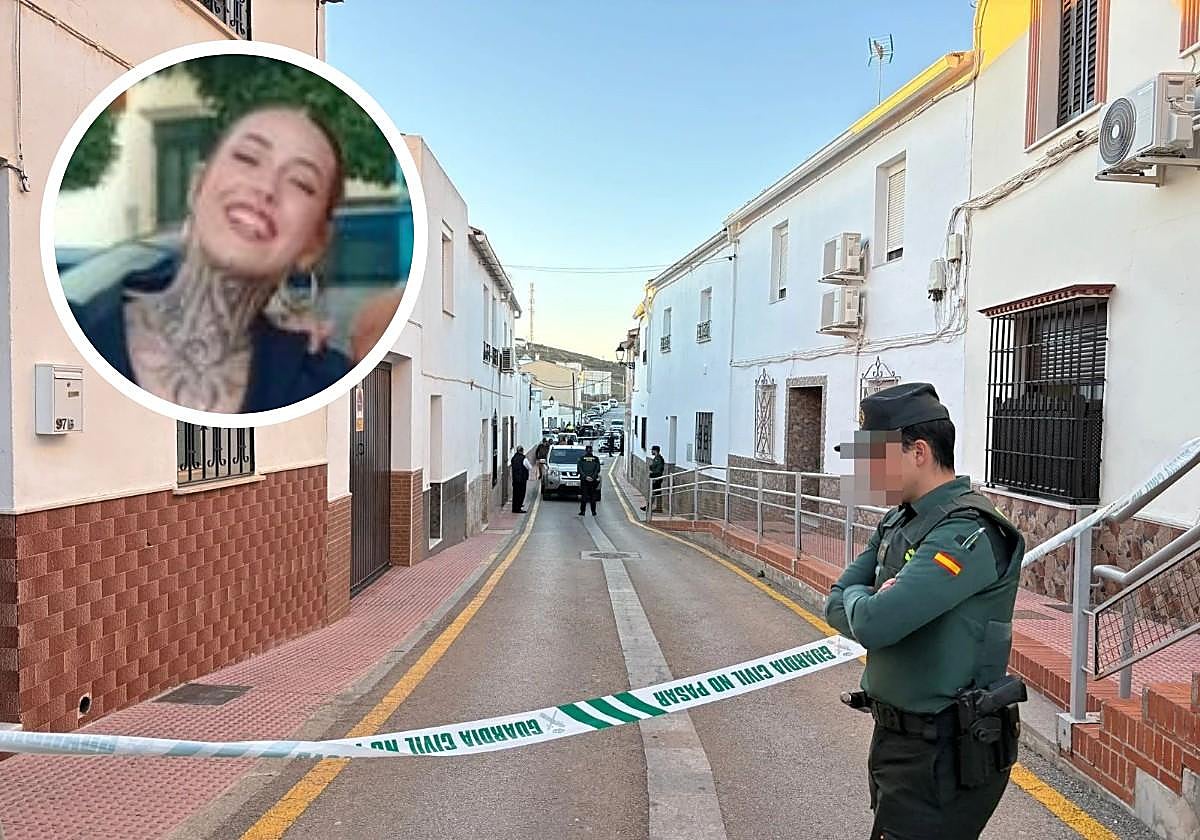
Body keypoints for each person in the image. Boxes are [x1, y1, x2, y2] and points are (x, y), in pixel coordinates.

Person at [823, 383, 1026, 840]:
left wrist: (865, 605)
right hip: (899, 744)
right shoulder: (900, 519)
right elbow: (834, 599)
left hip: (944, 752)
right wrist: (866, 603)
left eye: (873, 457)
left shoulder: (966, 532)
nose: (865, 470)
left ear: (917, 451)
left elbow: (875, 623)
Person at [69, 106, 352, 414]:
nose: (266, 188)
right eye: (247, 158)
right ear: (197, 186)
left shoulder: (327, 389)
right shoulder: (60, 332)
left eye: (300, 182)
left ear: (315, 243)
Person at [577, 445, 601, 516]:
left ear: (585, 450)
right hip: (593, 481)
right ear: (592, 451)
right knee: (593, 497)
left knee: (584, 496)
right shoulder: (596, 459)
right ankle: (593, 512)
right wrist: (592, 477)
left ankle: (583, 511)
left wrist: (585, 477)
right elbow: (597, 469)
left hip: (584, 481)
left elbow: (579, 469)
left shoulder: (581, 459)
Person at [641, 445, 665, 512]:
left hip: (656, 478)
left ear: (655, 451)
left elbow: (658, 470)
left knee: (653, 493)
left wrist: (653, 473)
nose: (651, 451)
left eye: (652, 450)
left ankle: (649, 508)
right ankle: (657, 508)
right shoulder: (656, 458)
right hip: (656, 478)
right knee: (656, 493)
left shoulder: (658, 459)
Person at [510, 446, 529, 514]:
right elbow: (529, 467)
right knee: (521, 494)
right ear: (522, 451)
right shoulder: (524, 459)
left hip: (515, 479)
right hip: (522, 479)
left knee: (515, 494)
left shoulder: (513, 458)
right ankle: (518, 508)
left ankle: (514, 508)